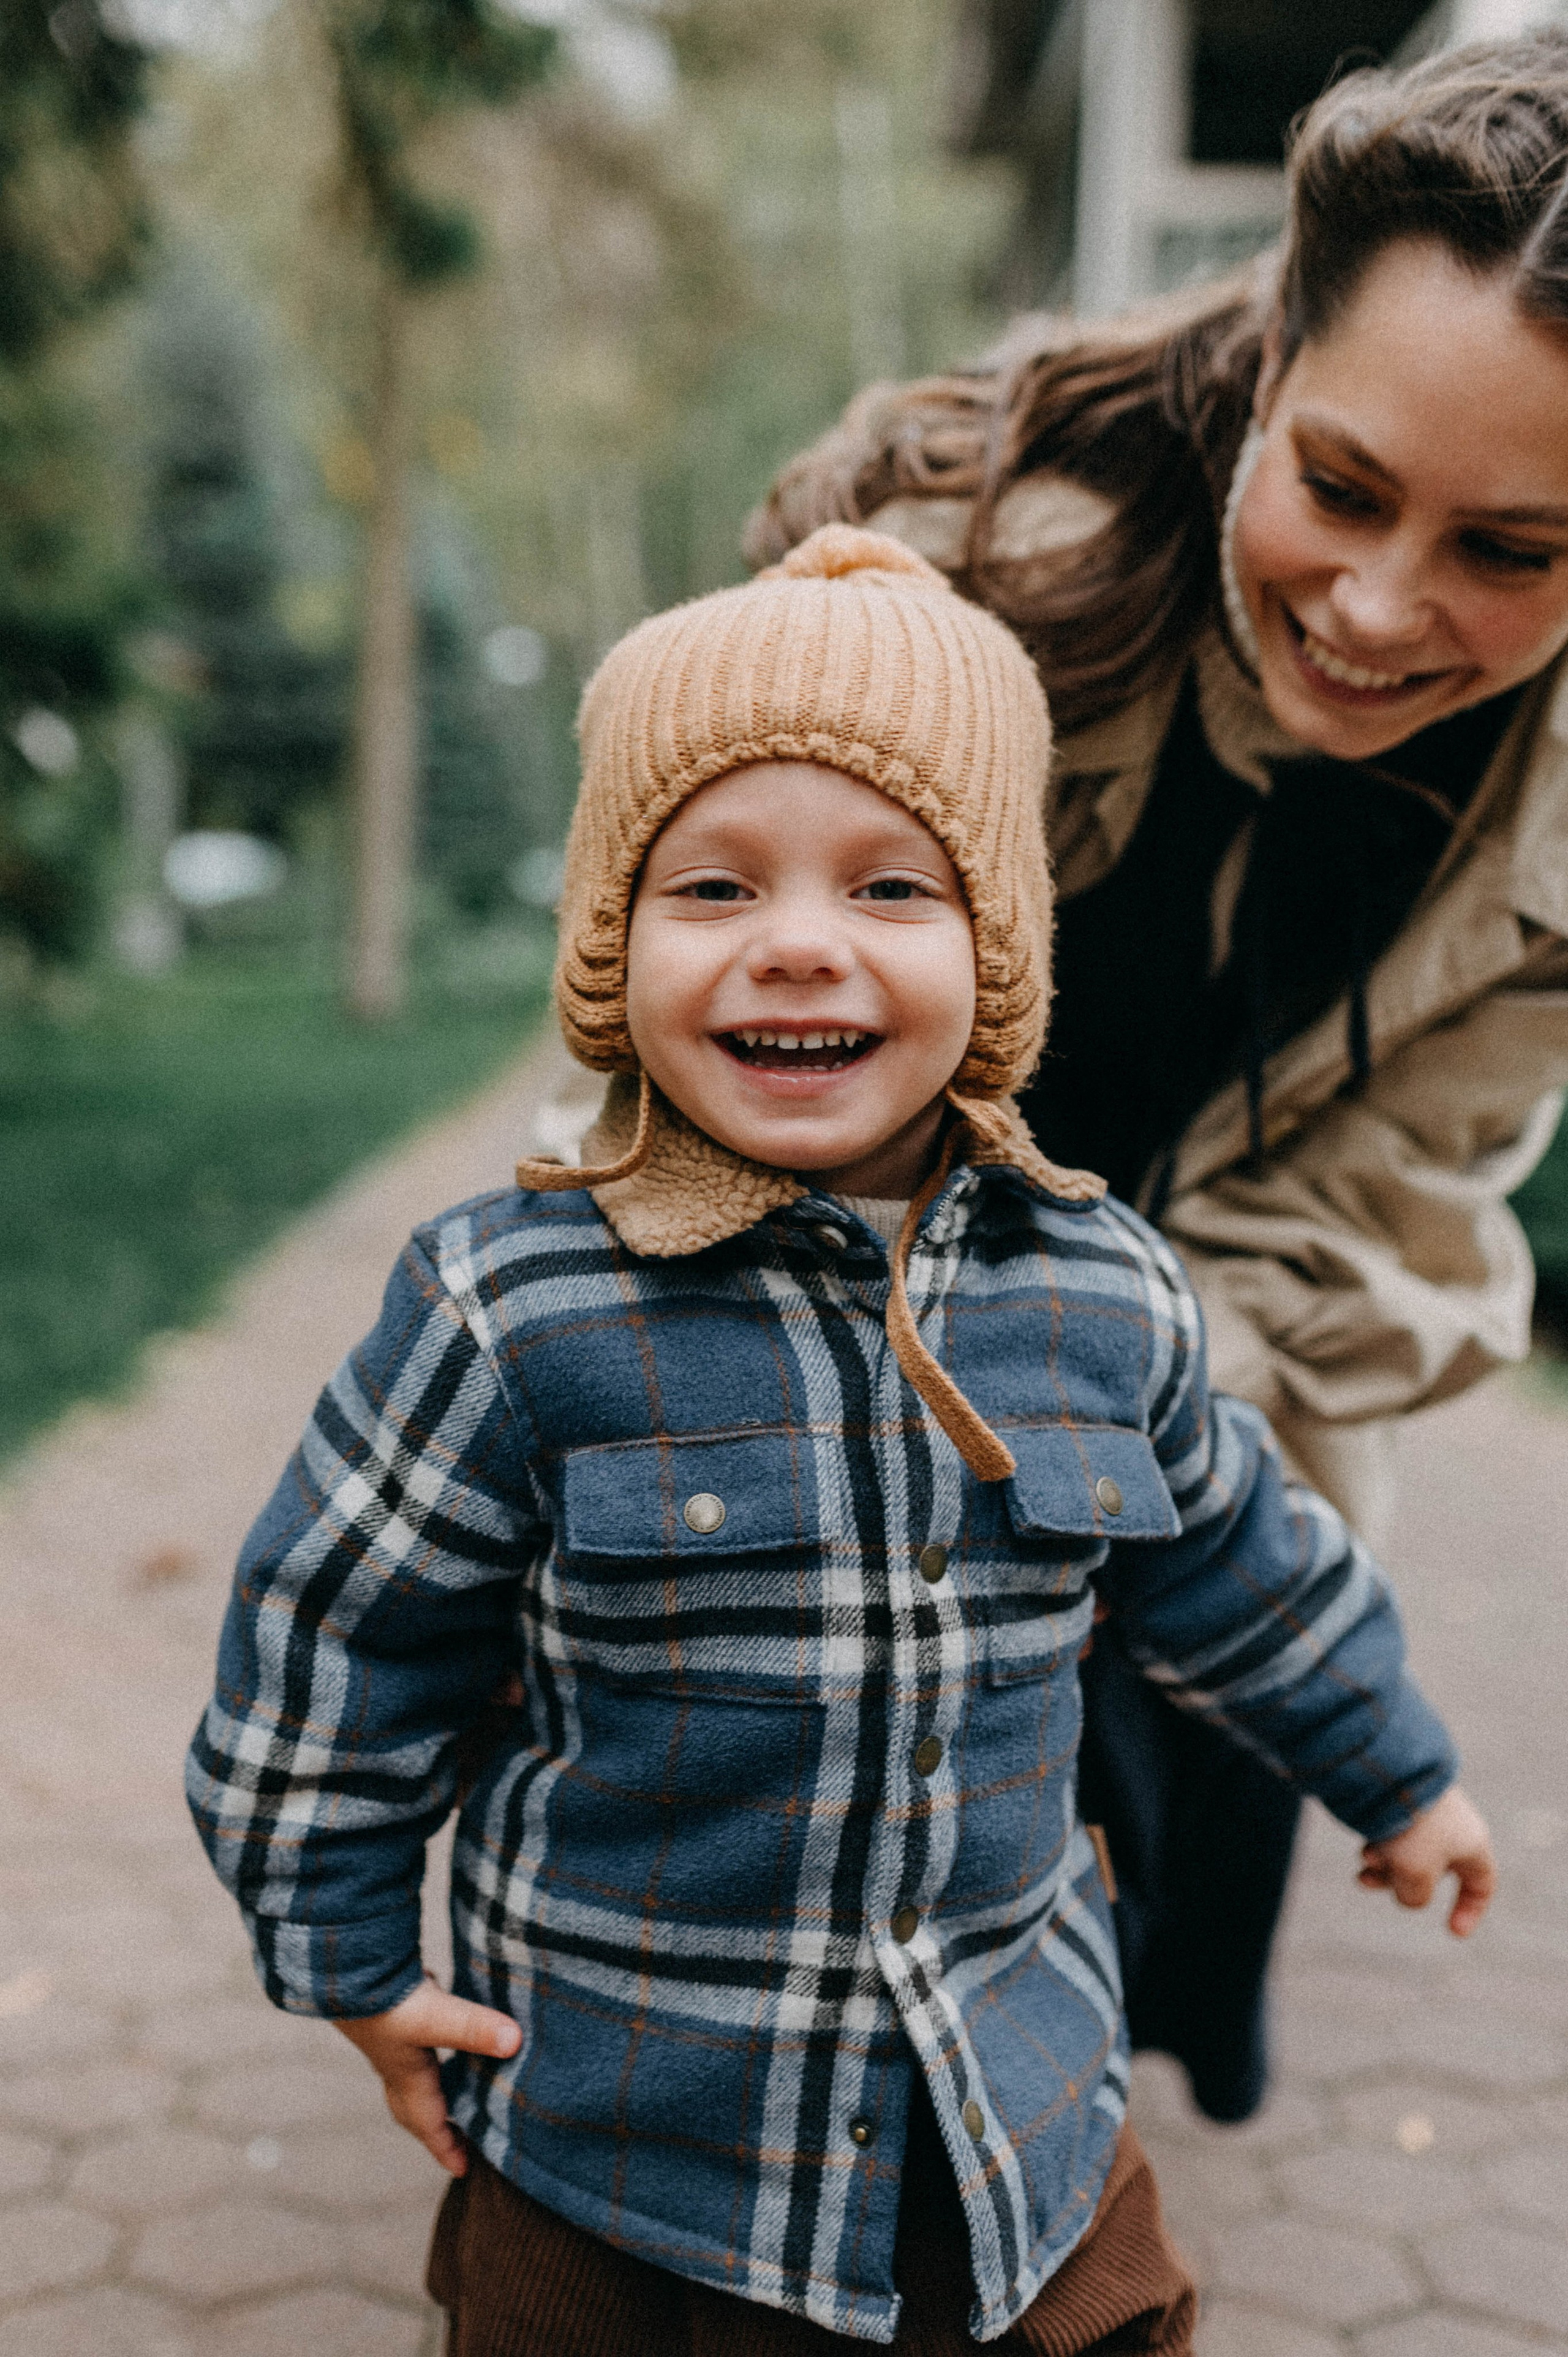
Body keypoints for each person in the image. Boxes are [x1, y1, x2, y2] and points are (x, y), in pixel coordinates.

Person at [187, 526, 1494, 2355]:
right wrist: (346, 1960)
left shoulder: (1103, 1285)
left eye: (891, 888)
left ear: (997, 945)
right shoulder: (511, 1307)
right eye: (714, 886)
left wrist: (1395, 1770)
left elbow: (1236, 1560)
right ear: (612, 942)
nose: (800, 943)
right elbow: (332, 1647)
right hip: (629, 2149)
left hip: (1011, 2115)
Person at [746, 33, 1568, 2121]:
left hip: (1198, 1398)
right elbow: (689, 1018)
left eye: (1514, 551)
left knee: (1075, 1963)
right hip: (807, 1334)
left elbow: (1373, 1210)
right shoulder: (963, 547)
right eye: (1343, 488)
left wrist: (1119, 1463)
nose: (1378, 608)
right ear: (1274, 354)